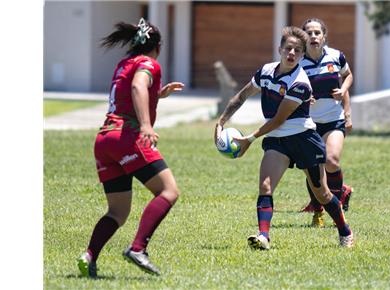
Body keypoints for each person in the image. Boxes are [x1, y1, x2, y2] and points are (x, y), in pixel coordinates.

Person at [214, 26, 353, 250]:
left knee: (323, 193)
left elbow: (279, 119)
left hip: (304, 139)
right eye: (288, 48)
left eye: (298, 51)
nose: (292, 53)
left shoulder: (300, 82)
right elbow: (242, 96)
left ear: (302, 55)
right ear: (279, 49)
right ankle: (263, 237)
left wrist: (250, 138)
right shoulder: (266, 71)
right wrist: (221, 121)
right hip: (278, 141)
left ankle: (345, 231)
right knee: (265, 186)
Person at [77, 18, 185, 278]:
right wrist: (146, 125)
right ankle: (138, 249)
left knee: (118, 211)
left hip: (105, 139)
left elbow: (129, 90)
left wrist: (158, 94)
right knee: (169, 191)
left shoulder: (124, 63)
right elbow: (138, 86)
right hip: (126, 136)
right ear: (157, 46)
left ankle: (89, 255)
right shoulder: (148, 63)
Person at [299, 18, 354, 227]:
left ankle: (337, 203)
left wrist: (346, 107)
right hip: (308, 122)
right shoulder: (297, 61)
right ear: (304, 38)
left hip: (333, 119)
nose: (313, 37)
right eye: (309, 33)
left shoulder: (335, 56)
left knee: (331, 161)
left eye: (317, 33)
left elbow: (347, 75)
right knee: (313, 166)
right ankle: (318, 211)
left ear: (324, 36)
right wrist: (303, 98)